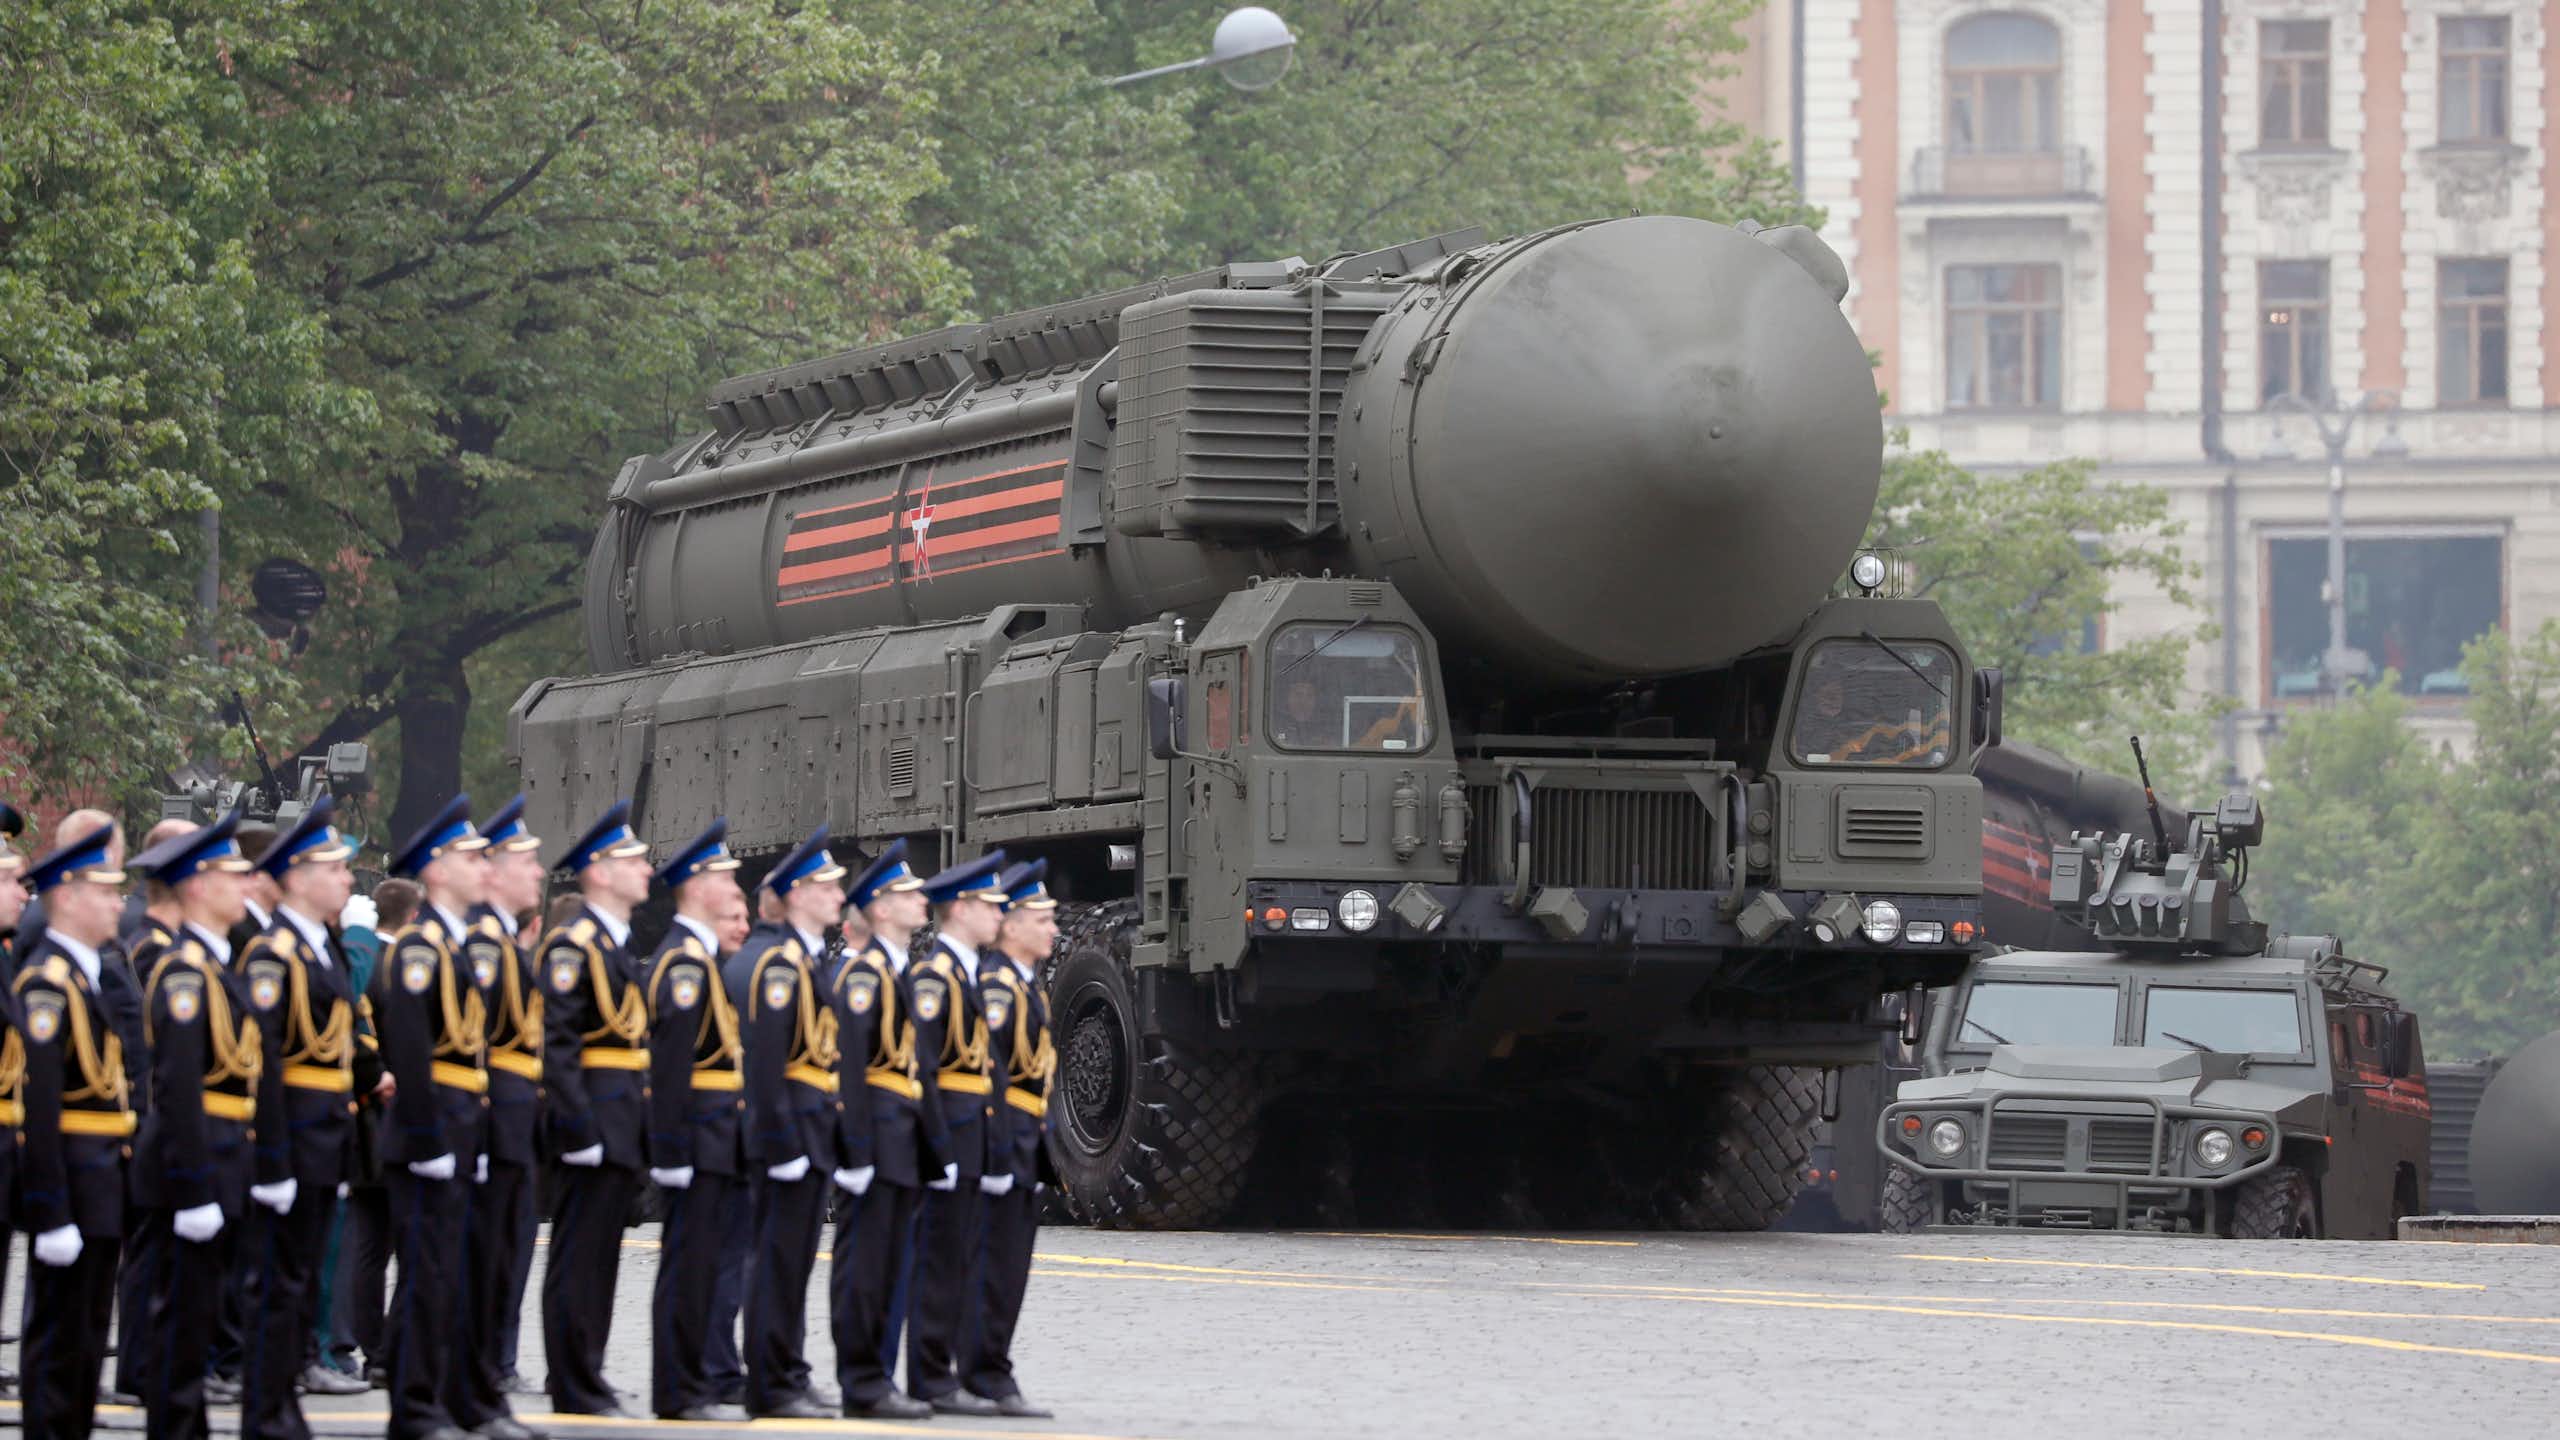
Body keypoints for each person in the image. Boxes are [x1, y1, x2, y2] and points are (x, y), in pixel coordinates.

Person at [125, 811, 286, 1440]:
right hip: (190, 1166)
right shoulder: (186, 972)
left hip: (226, 1156)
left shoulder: (220, 966)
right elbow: (179, 1088)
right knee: (180, 1324)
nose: (247, 882)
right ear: (196, 885)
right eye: (232, 873)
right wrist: (193, 1188)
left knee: (198, 1320)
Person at [235, 797, 373, 1440]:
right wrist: (271, 1155)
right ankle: (265, 1411)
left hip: (326, 1135)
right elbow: (261, 1059)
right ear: (296, 876)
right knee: (278, 1282)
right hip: (291, 1135)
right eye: (335, 869)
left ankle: (283, 1405)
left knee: (300, 1278)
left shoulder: (324, 947)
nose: (348, 879)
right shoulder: (274, 953)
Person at [369, 796, 494, 1440]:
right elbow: (412, 1046)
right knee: (425, 1275)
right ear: (438, 869)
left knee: (455, 1272)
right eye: (473, 857)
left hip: (457, 1122)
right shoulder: (421, 947)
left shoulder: (454, 941)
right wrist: (425, 1137)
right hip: (431, 1130)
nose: (484, 867)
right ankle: (415, 1410)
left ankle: (452, 1402)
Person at [9, 824, 135, 1440]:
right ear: (66, 895)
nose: (118, 902)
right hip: (72, 1185)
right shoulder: (47, 985)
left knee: (86, 1341)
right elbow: (40, 1110)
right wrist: (50, 1210)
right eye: (104, 890)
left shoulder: (85, 977)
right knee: (59, 1342)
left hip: (101, 1180)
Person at [538, 799, 654, 1417]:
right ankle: (571, 1378)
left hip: (618, 1123)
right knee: (578, 1256)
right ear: (600, 872)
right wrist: (578, 1128)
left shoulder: (614, 944)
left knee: (601, 1258)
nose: (646, 869)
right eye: (632, 860)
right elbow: (557, 1047)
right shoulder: (573, 946)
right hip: (592, 1127)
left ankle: (589, 1372)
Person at [734, 826, 846, 1419]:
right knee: (775, 1260)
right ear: (798, 893)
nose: (838, 893)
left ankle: (788, 1370)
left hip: (810, 1129)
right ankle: (770, 1384)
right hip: (789, 1135)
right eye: (827, 884)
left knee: (795, 1262)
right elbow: (768, 1065)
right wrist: (782, 1145)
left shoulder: (804, 958)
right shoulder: (780, 963)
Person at [641, 819, 749, 1422]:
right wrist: (672, 1154)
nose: (733, 883)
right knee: (687, 1267)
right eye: (724, 875)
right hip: (696, 1142)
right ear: (697, 886)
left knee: (702, 1265)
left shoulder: (699, 959)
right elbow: (673, 1068)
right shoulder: (684, 963)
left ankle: (692, 1384)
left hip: (714, 1138)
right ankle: (678, 1390)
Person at [826, 839, 936, 1421]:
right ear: (881, 907)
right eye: (908, 891)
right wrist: (855, 1150)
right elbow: (849, 1068)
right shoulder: (865, 976)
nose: (921, 897)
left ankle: (878, 1374)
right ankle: (862, 1380)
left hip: (902, 1139)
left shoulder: (899, 971)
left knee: (890, 1263)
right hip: (876, 1139)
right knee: (865, 1264)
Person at [450, 797, 547, 1440]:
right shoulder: (484, 942)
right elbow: (476, 1039)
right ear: (494, 867)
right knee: (483, 1263)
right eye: (528, 861)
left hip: (515, 1118)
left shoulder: (501, 939)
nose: (538, 873)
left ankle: (491, 1381)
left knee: (505, 1258)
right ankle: (479, 1384)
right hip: (493, 1118)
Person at [905, 850, 1009, 1415]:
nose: (999, 915)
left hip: (974, 1136)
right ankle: (928, 1375)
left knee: (960, 1259)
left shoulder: (968, 974)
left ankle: (943, 1371)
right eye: (990, 905)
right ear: (961, 909)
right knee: (937, 1261)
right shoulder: (935, 979)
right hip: (949, 1137)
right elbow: (923, 1072)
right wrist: (938, 1149)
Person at [962, 860, 1060, 1418]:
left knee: (1008, 1265)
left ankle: (989, 1366)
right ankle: (982, 1372)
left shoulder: (1025, 987)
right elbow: (988, 1075)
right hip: (1003, 1139)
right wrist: (997, 1149)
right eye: (1041, 919)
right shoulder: (997, 989)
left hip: (1025, 1137)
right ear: (1011, 926)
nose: (1053, 929)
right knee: (991, 1264)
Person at [107, 816, 194, 1408]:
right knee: (146, 1254)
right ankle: (137, 1369)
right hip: (147, 1115)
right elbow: (145, 1039)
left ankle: (143, 1367)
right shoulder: (148, 937)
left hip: (151, 1114)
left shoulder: (144, 930)